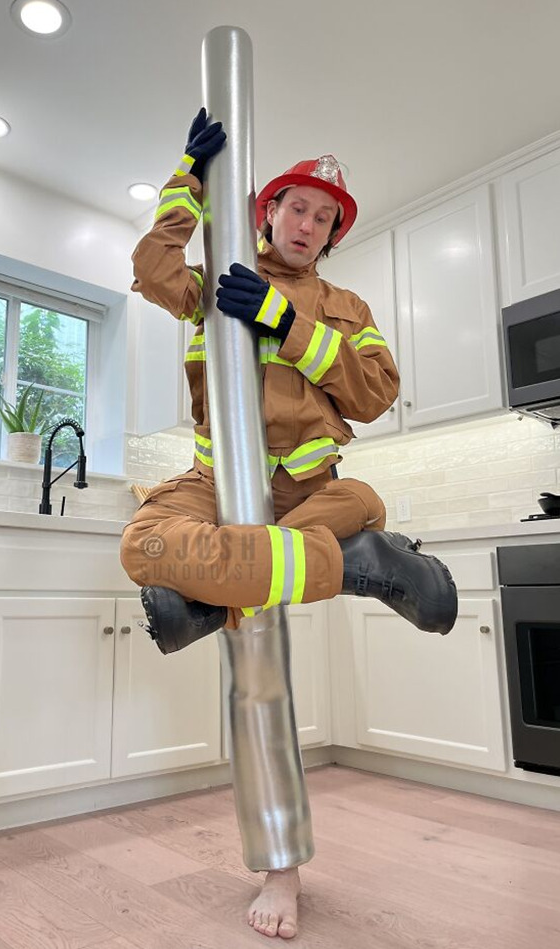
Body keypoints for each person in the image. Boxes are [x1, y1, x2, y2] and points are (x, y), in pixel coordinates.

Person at [120, 109, 457, 939]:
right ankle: (360, 567)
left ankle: (205, 600)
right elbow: (151, 268)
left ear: (333, 232)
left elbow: (376, 394)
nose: (307, 223)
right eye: (295, 206)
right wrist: (187, 181)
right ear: (265, 211)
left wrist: (285, 323)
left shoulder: (345, 304)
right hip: (214, 486)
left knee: (356, 509)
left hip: (314, 494)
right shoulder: (215, 279)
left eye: (324, 215)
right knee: (144, 544)